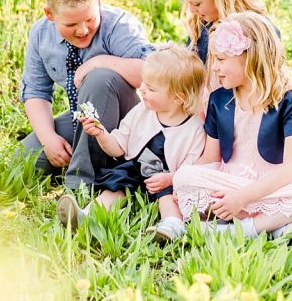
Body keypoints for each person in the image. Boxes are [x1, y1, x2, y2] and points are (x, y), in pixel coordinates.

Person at [172, 12, 292, 238]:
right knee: (185, 178)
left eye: (221, 60)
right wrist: (180, 178)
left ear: (251, 59)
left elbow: (291, 169)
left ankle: (245, 229)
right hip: (232, 183)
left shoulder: (289, 101)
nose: (214, 68)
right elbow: (210, 159)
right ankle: (277, 225)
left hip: (278, 187)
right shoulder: (219, 99)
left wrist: (243, 197)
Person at [19, 0, 153, 190]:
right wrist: (48, 138)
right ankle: (104, 163)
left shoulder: (118, 25)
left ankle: (80, 185)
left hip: (127, 122)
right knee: (25, 159)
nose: (83, 30)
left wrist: (100, 61)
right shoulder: (41, 34)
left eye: (90, 19)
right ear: (50, 14)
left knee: (99, 77)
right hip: (82, 119)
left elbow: (152, 74)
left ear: (98, 1)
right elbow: (36, 92)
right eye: (71, 24)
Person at [57, 44, 207, 243]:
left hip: (166, 177)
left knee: (167, 197)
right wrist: (102, 134)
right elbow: (118, 146)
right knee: (115, 186)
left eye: (151, 88)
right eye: (143, 83)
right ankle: (87, 215)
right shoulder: (141, 112)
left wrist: (170, 179)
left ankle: (172, 225)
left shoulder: (195, 128)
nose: (142, 90)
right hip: (135, 168)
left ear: (178, 97)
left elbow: (192, 168)